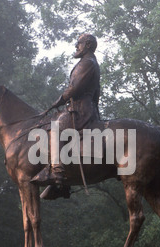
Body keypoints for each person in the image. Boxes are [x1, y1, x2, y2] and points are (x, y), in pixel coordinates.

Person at [30, 33, 101, 199]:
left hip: (81, 109)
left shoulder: (87, 63)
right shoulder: (90, 63)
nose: (76, 47)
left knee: (56, 127)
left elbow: (73, 88)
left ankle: (57, 174)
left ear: (88, 45)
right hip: (85, 107)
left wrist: (57, 102)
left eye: (79, 43)